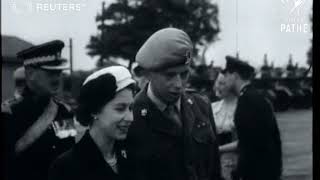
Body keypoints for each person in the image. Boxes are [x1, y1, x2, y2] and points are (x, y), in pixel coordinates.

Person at [126, 28, 222, 180]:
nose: (178, 84)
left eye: (184, 74)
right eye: (169, 75)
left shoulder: (201, 105)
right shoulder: (131, 116)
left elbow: (214, 170)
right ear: (149, 73)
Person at [1, 40, 75, 180]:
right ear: (30, 74)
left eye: (58, 72)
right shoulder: (8, 114)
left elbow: (68, 157)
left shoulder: (63, 112)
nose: (57, 79)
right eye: (50, 73)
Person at [49, 66, 135, 180]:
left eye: (131, 108)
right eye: (120, 108)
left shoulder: (134, 155)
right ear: (95, 110)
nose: (130, 118)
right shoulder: (67, 167)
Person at [222, 56, 282, 180]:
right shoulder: (254, 97)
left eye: (227, 75)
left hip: (257, 172)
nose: (225, 79)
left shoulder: (247, 101)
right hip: (268, 169)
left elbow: (249, 146)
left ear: (235, 75)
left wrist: (239, 173)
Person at [211, 72, 238, 180]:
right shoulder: (213, 107)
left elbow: (245, 141)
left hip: (234, 162)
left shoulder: (241, 108)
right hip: (213, 162)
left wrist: (218, 149)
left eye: (222, 83)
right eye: (217, 82)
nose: (217, 86)